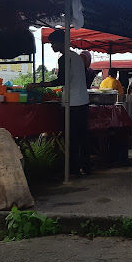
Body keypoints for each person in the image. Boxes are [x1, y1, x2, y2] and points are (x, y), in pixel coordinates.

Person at [28, 30, 91, 177]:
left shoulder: (64, 58)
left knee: (71, 138)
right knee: (83, 136)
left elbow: (62, 80)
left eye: (53, 44)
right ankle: (86, 167)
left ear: (61, 42)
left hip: (72, 103)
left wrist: (39, 84)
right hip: (83, 101)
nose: (52, 47)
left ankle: (73, 170)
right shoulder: (77, 57)